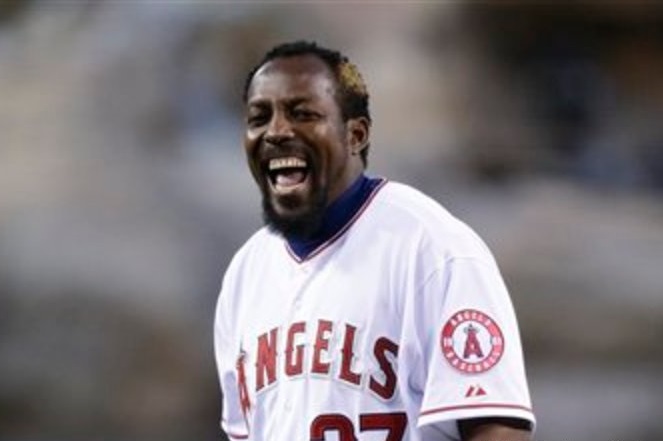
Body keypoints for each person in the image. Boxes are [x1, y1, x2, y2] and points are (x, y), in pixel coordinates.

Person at [214, 40, 535, 441]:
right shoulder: (245, 273)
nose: (276, 131)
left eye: (303, 114)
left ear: (356, 135)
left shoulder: (432, 248)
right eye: (259, 117)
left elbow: (498, 428)